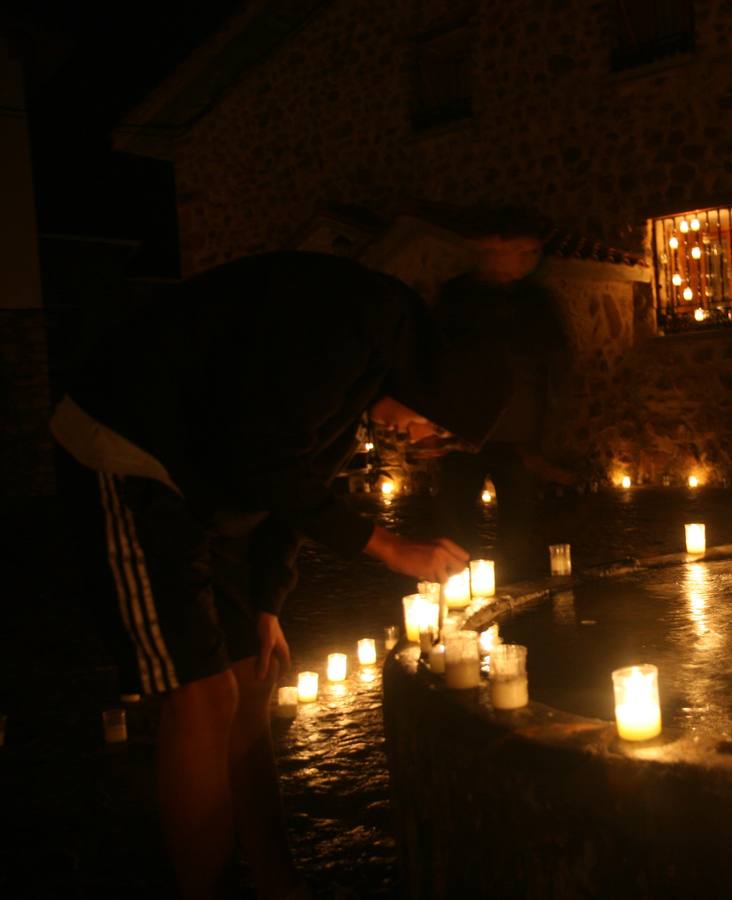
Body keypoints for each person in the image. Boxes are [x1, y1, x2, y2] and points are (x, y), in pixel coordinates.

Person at [49, 251, 508, 900]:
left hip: (205, 482)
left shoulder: (363, 379)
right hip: (130, 445)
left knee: (251, 678)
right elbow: (265, 455)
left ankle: (274, 881)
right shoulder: (350, 326)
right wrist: (387, 545)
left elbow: (297, 487)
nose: (417, 438)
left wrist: (265, 603)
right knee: (201, 696)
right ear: (437, 389)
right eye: (433, 429)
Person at [432, 213, 573, 581]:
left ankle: (518, 597)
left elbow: (555, 365)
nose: (529, 260)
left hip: (518, 437)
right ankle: (455, 590)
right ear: (492, 249)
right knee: (455, 523)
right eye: (520, 252)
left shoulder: (536, 302)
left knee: (519, 529)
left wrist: (546, 428)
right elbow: (437, 359)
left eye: (533, 253)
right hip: (463, 433)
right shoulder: (457, 299)